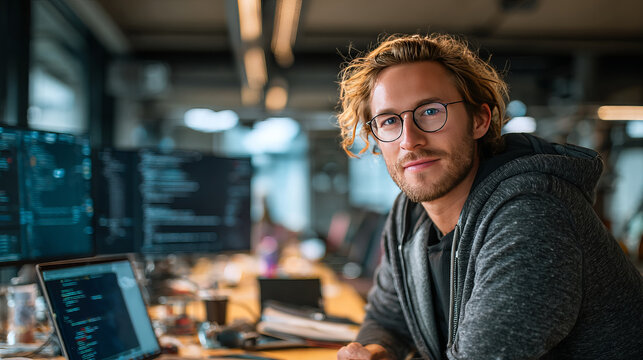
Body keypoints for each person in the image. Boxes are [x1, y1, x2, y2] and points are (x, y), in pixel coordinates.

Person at [335, 34, 643, 360]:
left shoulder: (533, 214)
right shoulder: (408, 217)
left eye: (430, 112)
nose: (410, 140)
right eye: (389, 120)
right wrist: (375, 351)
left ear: (480, 120)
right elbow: (387, 320)